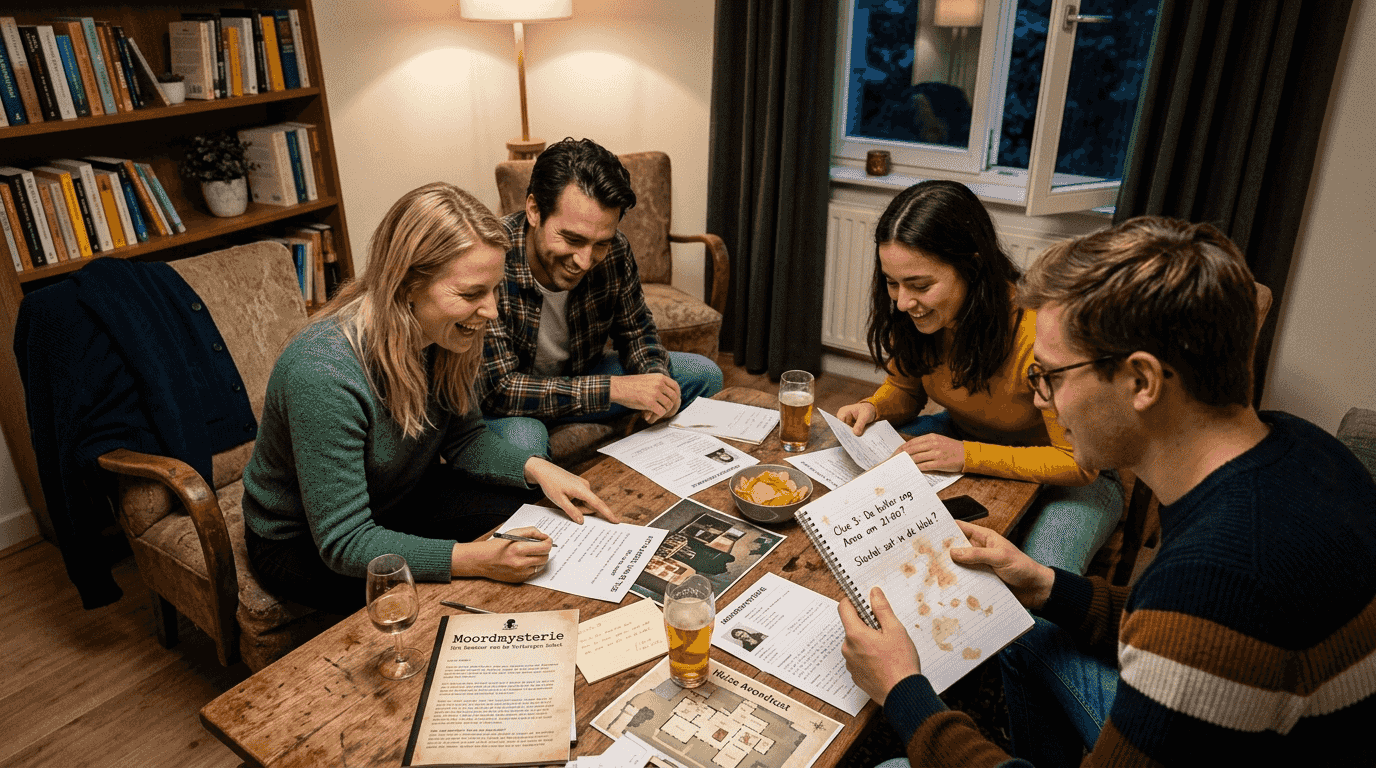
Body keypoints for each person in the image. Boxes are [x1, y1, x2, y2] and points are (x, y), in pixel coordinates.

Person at [839, 216, 1376, 766]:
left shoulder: (1218, 580)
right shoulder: (1303, 447)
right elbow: (1180, 626)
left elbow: (1202, 618)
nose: (1042, 401)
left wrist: (904, 692)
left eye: (1050, 376)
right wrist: (1047, 585)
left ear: (1141, 382)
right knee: (1029, 632)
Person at [242, 183, 618, 616]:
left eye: (494, 289)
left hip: (396, 498)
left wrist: (538, 469)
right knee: (427, 605)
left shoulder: (447, 334)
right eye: (471, 293)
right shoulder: (323, 371)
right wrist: (473, 560)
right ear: (406, 286)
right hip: (300, 540)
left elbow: (465, 439)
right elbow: (343, 542)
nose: (491, 311)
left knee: (529, 519)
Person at [837, 180, 1121, 575]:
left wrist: (967, 455)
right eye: (891, 283)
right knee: (871, 509)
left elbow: (1078, 463)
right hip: (966, 436)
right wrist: (874, 406)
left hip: (1071, 476)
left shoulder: (1038, 333)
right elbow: (905, 388)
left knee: (1043, 575)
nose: (902, 302)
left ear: (971, 267)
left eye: (920, 285)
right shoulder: (917, 315)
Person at [479, 138, 723, 457]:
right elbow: (500, 390)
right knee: (524, 443)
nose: (584, 260)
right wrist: (616, 390)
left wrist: (655, 381)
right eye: (571, 239)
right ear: (534, 209)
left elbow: (637, 333)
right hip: (512, 402)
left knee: (704, 375)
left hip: (582, 376)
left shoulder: (616, 250)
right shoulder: (490, 258)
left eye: (599, 244)